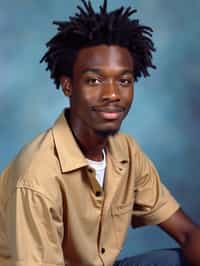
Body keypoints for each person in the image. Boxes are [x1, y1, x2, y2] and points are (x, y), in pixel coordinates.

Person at [0, 0, 200, 265]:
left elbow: (187, 234)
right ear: (68, 86)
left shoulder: (126, 152)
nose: (113, 94)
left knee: (178, 260)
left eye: (124, 81)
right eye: (94, 80)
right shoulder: (37, 178)